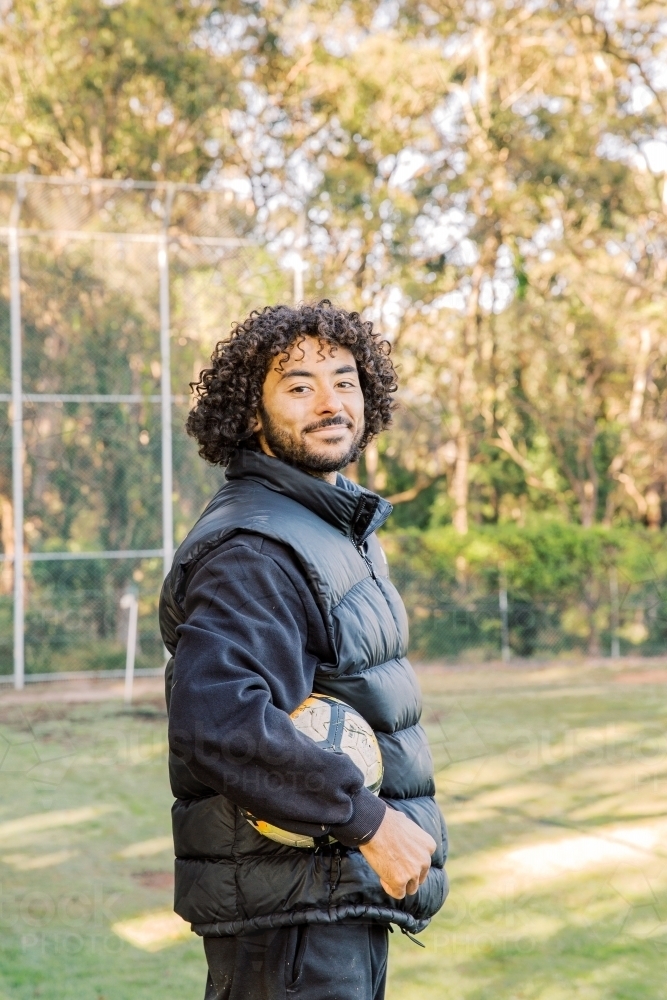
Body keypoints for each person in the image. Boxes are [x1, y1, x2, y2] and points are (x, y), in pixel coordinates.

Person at [160, 301, 448, 1000]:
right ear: (250, 414)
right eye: (298, 386)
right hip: (291, 921)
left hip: (329, 902)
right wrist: (370, 822)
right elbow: (217, 719)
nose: (329, 402)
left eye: (344, 381)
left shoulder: (325, 523)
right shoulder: (255, 547)